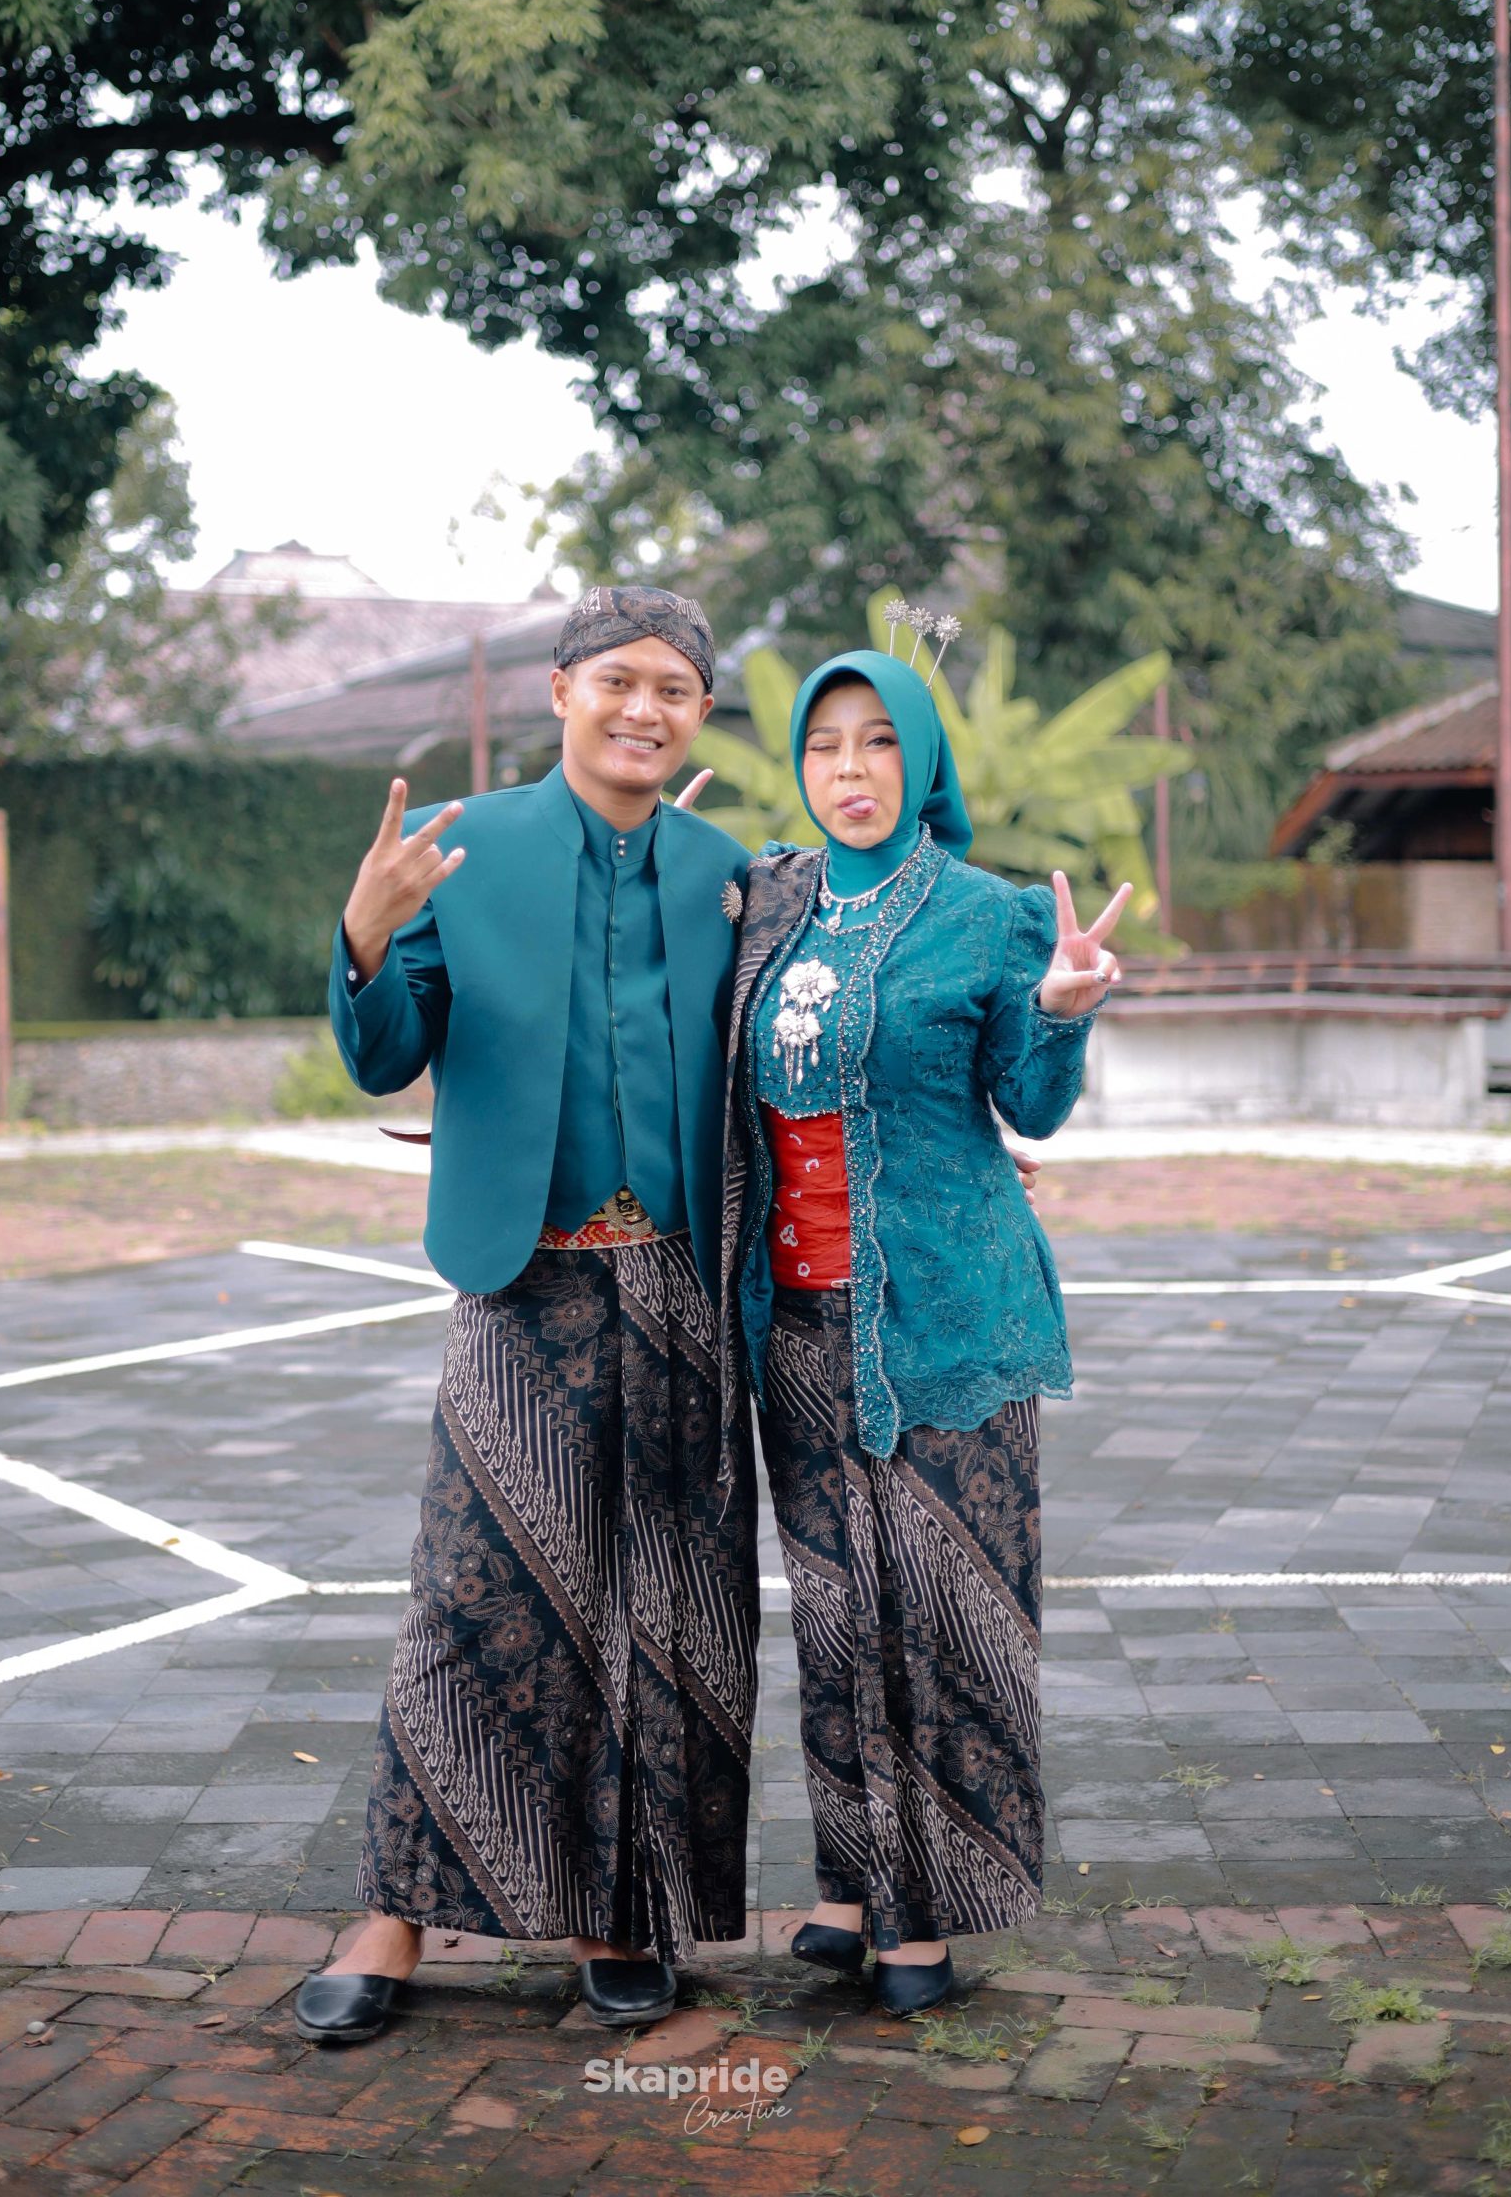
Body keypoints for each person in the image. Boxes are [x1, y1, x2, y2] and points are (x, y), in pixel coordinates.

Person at [293, 587, 757, 2046]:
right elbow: (389, 1054)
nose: (643, 709)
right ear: (561, 691)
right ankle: (394, 1912)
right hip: (522, 1282)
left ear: (699, 712)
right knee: (469, 1596)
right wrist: (365, 939)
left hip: (683, 1291)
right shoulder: (464, 846)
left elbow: (795, 1052)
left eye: (673, 688)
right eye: (617, 680)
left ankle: (622, 1913)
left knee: (662, 1608)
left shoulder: (729, 873)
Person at [720, 641, 1125, 2015]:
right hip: (796, 1326)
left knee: (941, 1614)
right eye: (825, 744)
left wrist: (1059, 1008)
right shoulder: (768, 906)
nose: (851, 770)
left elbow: (1031, 1103)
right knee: (837, 1615)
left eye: (879, 741)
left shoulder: (987, 915)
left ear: (924, 756)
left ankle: (928, 1916)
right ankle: (850, 1885)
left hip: (948, 1322)